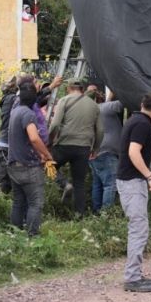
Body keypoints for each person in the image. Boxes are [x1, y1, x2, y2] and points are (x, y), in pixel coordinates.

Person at [116, 93, 151, 293]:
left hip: (128, 180)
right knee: (138, 229)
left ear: (142, 104)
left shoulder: (134, 120)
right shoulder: (143, 125)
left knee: (138, 228)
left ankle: (134, 274)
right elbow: (133, 152)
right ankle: (132, 278)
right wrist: (150, 176)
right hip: (132, 182)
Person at [49, 77, 103, 217]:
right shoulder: (93, 105)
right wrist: (95, 149)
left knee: (48, 165)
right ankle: (79, 215)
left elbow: (55, 124)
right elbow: (100, 131)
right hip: (83, 147)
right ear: (83, 89)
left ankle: (64, 184)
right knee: (79, 182)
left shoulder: (64, 100)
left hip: (64, 144)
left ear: (68, 88)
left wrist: (48, 140)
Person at [7, 82, 56, 236]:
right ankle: (32, 237)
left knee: (18, 203)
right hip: (28, 167)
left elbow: (25, 140)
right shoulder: (28, 114)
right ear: (34, 98)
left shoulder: (15, 111)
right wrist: (47, 155)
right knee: (35, 203)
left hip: (13, 165)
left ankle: (15, 235)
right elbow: (34, 138)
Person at [92, 90, 123, 214]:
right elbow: (123, 103)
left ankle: (97, 212)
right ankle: (107, 214)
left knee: (97, 183)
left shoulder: (92, 111)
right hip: (108, 152)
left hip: (94, 151)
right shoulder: (106, 108)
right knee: (110, 184)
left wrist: (110, 96)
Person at [0, 76, 18, 194]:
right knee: (3, 179)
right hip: (7, 142)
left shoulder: (7, 99)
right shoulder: (12, 99)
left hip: (5, 142)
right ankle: (0, 203)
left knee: (4, 177)